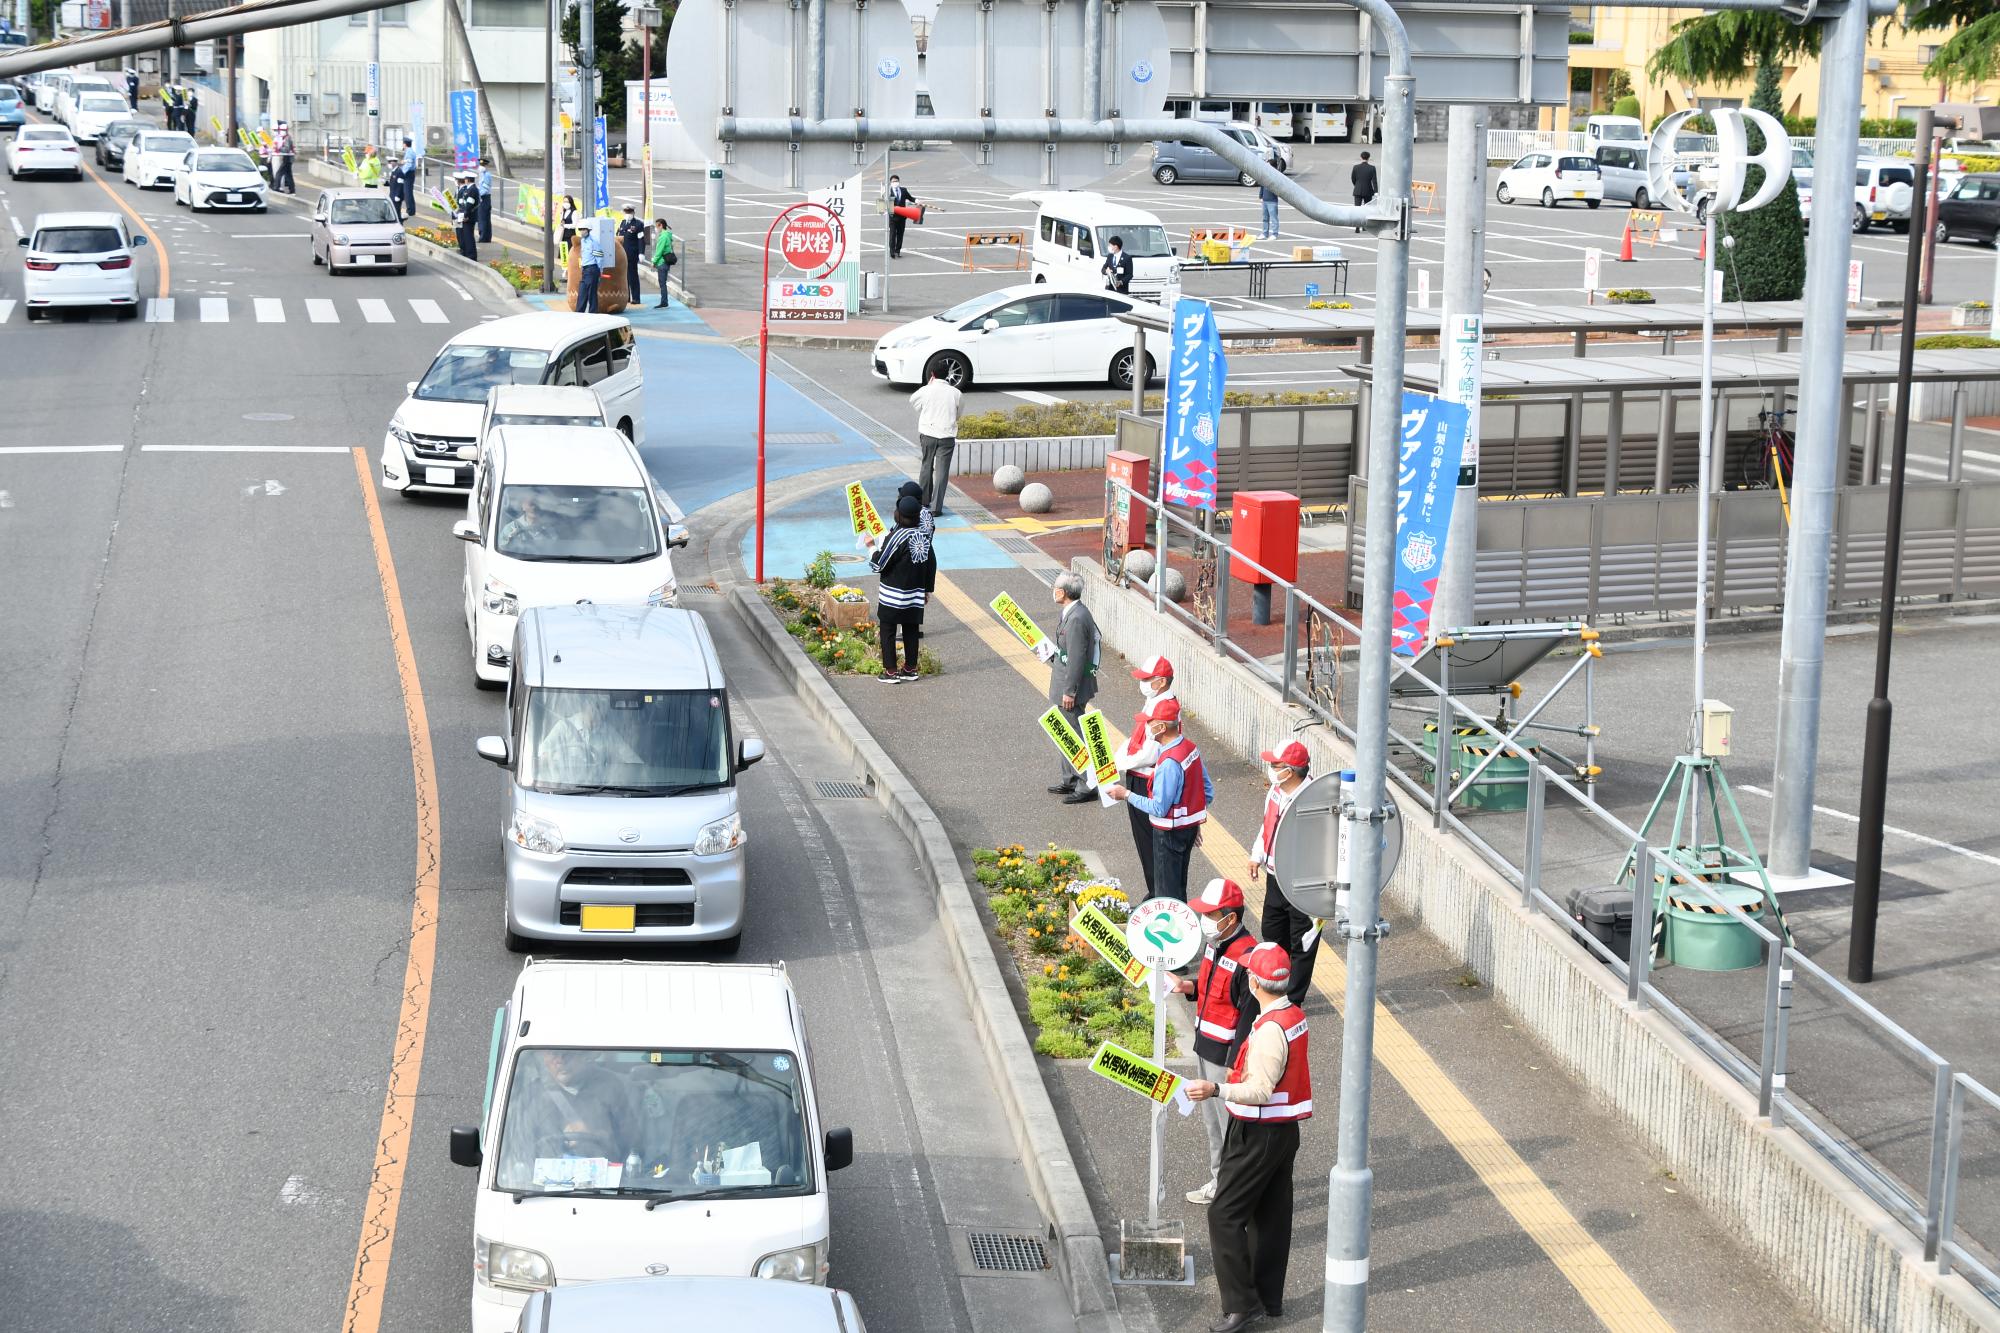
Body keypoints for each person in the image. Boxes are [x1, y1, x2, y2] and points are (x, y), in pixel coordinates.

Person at [1184, 942, 1312, 1332]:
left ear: (1256, 982)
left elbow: (1259, 1090)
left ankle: (1241, 1306)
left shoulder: (1271, 1028)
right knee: (1271, 1216)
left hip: (1257, 1132)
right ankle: (1267, 1300)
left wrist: (1216, 1089)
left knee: (1224, 1214)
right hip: (1283, 1130)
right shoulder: (1291, 1015)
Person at [1177, 878, 1259, 1206]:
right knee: (1213, 1122)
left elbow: (1248, 1018)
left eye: (1212, 914)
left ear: (1231, 918)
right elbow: (1213, 988)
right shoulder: (1217, 943)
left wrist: (1234, 1069)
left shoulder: (1247, 957)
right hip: (1205, 1046)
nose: (1205, 920)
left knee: (1229, 1128)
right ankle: (1219, 1179)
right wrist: (1188, 987)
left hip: (1224, 1058)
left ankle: (1233, 1189)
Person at [1104, 697, 1210, 903]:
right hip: (1186, 831)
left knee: (1166, 896)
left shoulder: (1169, 761)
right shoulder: (1190, 749)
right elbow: (1207, 790)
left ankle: (1170, 931)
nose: (1147, 727)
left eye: (1150, 723)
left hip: (1168, 835)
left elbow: (1159, 808)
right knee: (1179, 888)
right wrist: (1192, 821)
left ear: (1161, 727)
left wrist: (1125, 794)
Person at [1250, 739, 1319, 1007]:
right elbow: (1267, 823)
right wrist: (1256, 855)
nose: (1270, 768)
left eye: (1275, 765)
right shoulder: (1276, 791)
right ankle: (1275, 986)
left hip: (1302, 882)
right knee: (1272, 930)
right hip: (1274, 876)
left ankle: (1293, 999)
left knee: (1302, 941)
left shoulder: (1314, 798)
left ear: (1289, 771)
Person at [1113, 656, 1176, 897]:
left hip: (1146, 780)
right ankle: (1155, 891)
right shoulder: (1153, 701)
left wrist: (1119, 762)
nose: (1143, 682)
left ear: (1160, 681)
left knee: (1150, 843)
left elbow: (1149, 753)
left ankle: (1157, 894)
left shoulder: (1163, 708)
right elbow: (1137, 738)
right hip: (1139, 775)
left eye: (1147, 679)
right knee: (1146, 843)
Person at [1045, 572, 1100, 804]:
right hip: (1063, 681)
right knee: (1064, 733)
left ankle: (1086, 783)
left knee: (1074, 735)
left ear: (1064, 592)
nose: (1053, 590)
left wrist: (1070, 691)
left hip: (1069, 687)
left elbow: (1077, 657)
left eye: (1056, 587)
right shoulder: (1073, 612)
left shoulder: (1077, 618)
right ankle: (1070, 778)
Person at [869, 495, 933, 682]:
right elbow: (929, 565)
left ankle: (890, 671)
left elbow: (879, 565)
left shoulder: (898, 536)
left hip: (893, 595)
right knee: (911, 630)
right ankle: (910, 668)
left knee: (888, 630)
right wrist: (926, 590)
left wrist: (871, 547)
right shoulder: (923, 536)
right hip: (914, 595)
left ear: (900, 515)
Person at [908, 366, 962, 518]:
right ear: (948, 375)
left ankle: (923, 501)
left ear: (932, 374)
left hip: (928, 433)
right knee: (942, 472)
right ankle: (936, 507)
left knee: (926, 466)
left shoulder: (926, 390)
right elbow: (959, 413)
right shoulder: (956, 393)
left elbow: (913, 401)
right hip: (947, 435)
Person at [617, 205, 646, 303]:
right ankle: (627, 297)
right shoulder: (622, 223)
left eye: (629, 212)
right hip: (622, 253)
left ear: (633, 213)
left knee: (632, 276)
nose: (628, 215)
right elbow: (618, 236)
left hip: (632, 254)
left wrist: (641, 252)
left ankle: (636, 298)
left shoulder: (638, 224)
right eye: (626, 212)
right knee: (624, 276)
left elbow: (641, 239)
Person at [576, 223, 604, 313]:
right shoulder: (582, 241)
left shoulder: (593, 241)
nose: (581, 231)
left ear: (588, 230)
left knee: (591, 293)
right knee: (582, 292)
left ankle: (593, 314)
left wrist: (600, 270)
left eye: (583, 229)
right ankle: (579, 313)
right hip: (585, 269)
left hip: (592, 269)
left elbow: (599, 256)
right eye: (580, 229)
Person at [887, 174, 917, 259]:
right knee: (892, 235)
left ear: (899, 182)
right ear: (890, 183)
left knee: (900, 235)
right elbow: (885, 203)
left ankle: (897, 251)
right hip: (893, 217)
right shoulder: (888, 192)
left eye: (896, 181)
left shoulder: (903, 190)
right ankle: (892, 252)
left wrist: (916, 200)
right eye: (893, 181)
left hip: (902, 216)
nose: (895, 183)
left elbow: (910, 198)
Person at [453, 168, 481, 260]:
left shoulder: (472, 190)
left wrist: (465, 215)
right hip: (465, 216)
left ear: (467, 179)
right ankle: (467, 254)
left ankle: (471, 255)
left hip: (469, 217)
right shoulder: (469, 189)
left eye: (465, 178)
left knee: (468, 236)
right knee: (465, 235)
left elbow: (469, 205)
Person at [650, 218, 676, 308]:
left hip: (662, 262)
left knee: (662, 283)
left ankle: (664, 301)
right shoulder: (667, 235)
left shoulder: (663, 237)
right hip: (666, 261)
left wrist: (654, 261)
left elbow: (659, 251)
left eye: (657, 226)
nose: (656, 229)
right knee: (663, 282)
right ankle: (664, 301)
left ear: (661, 225)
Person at [1351, 150, 1378, 233]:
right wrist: (1376, 191)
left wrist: (1357, 185)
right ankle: (1365, 226)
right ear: (1368, 158)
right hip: (1368, 190)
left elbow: (1353, 178)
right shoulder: (1372, 168)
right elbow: (1374, 181)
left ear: (1361, 157)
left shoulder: (1355, 167)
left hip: (1358, 190)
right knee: (1367, 209)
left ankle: (1357, 227)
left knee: (1357, 209)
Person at [396, 136, 421, 218]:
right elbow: (407, 162)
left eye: (403, 144)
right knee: (407, 192)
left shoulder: (409, 152)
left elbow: (409, 164)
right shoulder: (410, 151)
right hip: (410, 173)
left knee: (407, 193)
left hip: (408, 174)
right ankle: (411, 210)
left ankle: (410, 211)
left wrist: (402, 172)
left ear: (404, 144)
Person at [270, 121, 295, 194]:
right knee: (288, 175)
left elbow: (287, 149)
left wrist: (279, 149)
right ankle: (292, 190)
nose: (282, 132)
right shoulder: (283, 138)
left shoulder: (287, 138)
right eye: (281, 130)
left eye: (283, 130)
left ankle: (276, 187)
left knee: (279, 173)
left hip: (288, 158)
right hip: (286, 158)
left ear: (286, 131)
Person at [476, 156, 495, 242]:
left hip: (484, 198)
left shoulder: (486, 175)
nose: (480, 167)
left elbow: (485, 188)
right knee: (485, 218)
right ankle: (486, 237)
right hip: (485, 198)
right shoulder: (482, 174)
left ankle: (483, 237)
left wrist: (478, 195)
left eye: (482, 165)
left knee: (483, 218)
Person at [559, 194, 579, 265]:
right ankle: (565, 269)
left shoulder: (574, 212)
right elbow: (561, 221)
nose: (565, 203)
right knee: (564, 254)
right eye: (564, 202)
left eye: (567, 202)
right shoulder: (564, 211)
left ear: (571, 202)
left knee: (570, 253)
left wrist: (565, 225)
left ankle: (570, 268)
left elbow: (574, 225)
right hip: (563, 235)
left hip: (570, 235)